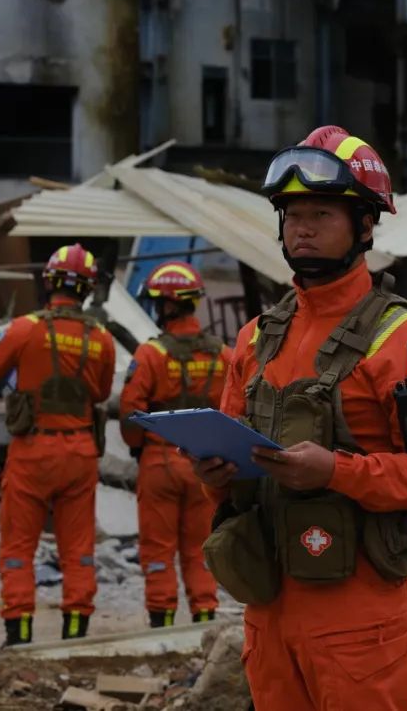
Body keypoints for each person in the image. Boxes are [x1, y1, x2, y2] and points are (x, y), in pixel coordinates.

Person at [192, 126, 407, 710]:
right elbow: (233, 453)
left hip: (359, 619)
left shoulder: (403, 339)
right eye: (291, 215)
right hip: (269, 609)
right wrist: (215, 473)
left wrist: (336, 472)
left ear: (365, 225)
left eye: (321, 213)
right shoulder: (255, 339)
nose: (302, 228)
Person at [0, 243, 116, 646]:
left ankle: (18, 638)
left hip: (33, 452)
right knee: (79, 549)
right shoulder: (101, 339)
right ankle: (75, 639)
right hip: (80, 454)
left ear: (48, 281)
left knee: (19, 548)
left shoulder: (24, 328)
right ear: (87, 290)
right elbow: (102, 392)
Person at [120, 261, 232, 627]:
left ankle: (161, 626)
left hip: (160, 462)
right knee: (200, 550)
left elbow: (130, 413)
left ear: (166, 304)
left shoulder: (151, 355)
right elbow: (238, 406)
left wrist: (138, 447)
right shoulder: (223, 354)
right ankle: (204, 623)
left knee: (158, 551)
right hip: (207, 464)